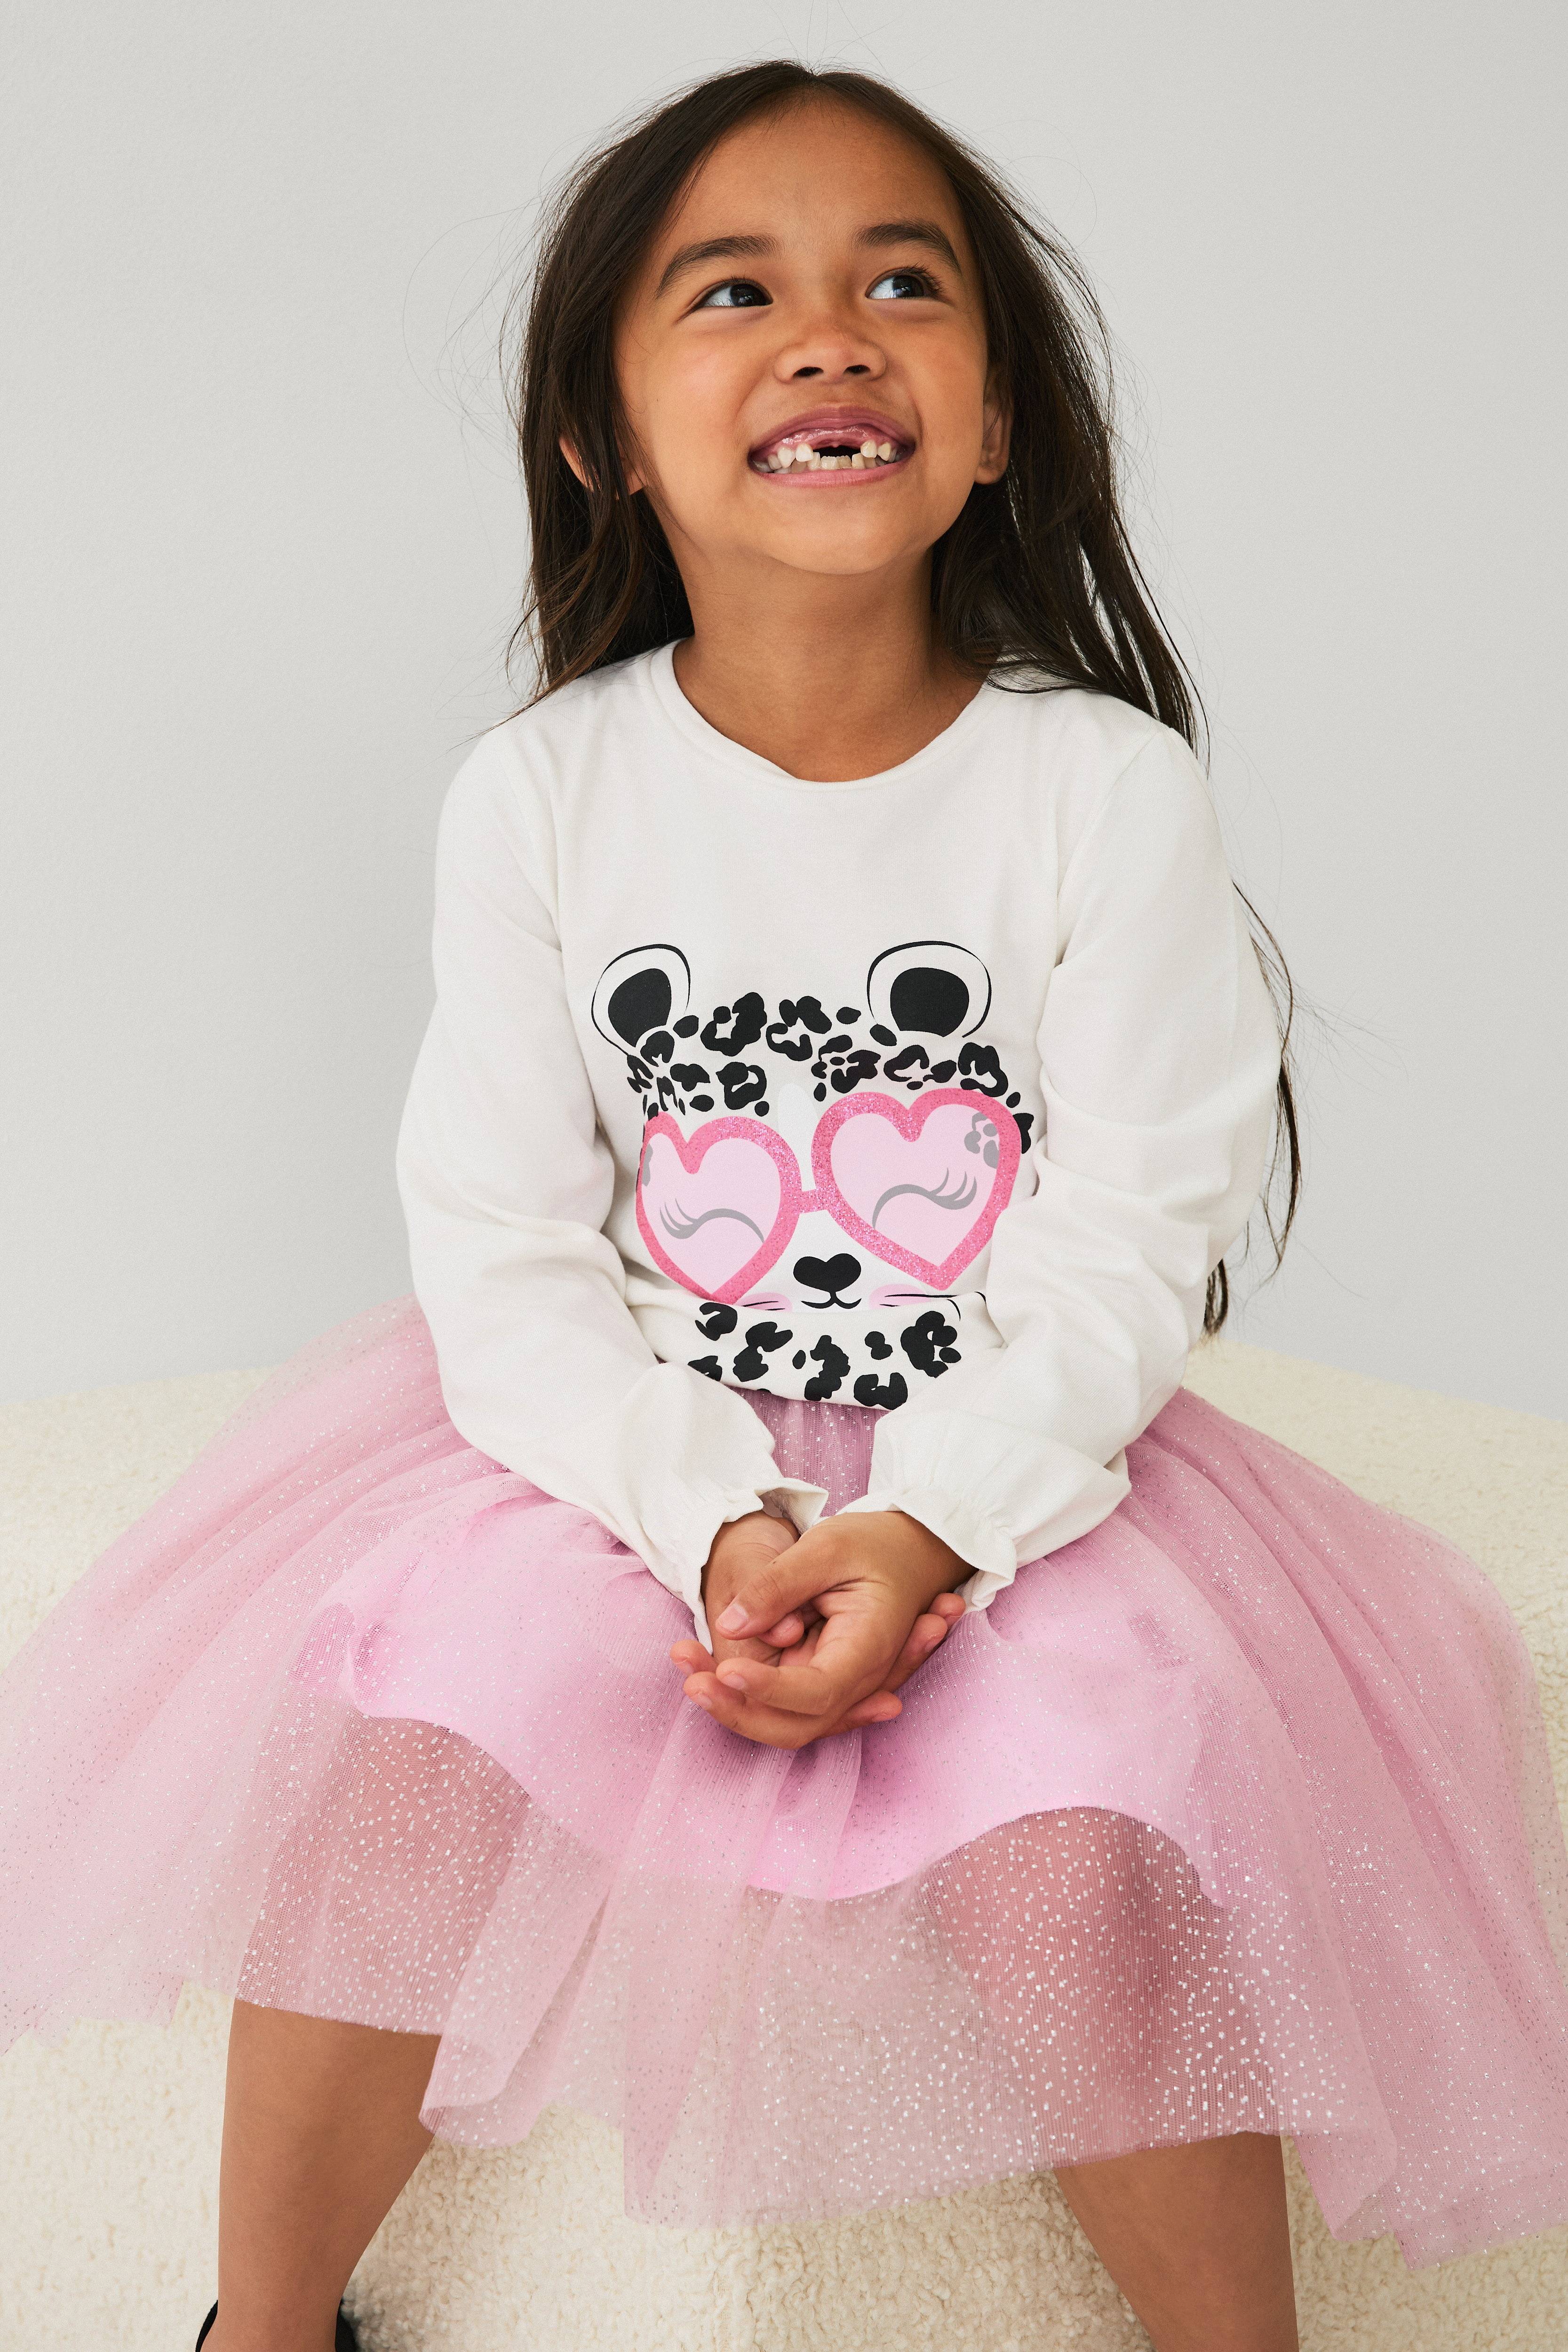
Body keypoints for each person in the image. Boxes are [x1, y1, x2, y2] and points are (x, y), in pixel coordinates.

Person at [3, 60, 1566, 2352]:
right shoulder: (542, 795)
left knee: (1082, 1841)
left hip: (1013, 1454)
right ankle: (261, 2320)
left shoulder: (1101, 788)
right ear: (601, 437)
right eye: (735, 292)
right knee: (416, 1733)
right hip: (625, 1446)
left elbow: (1136, 1230)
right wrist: (713, 1517)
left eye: (904, 285)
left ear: (999, 419)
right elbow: (503, 1244)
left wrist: (927, 1524)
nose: (832, 333)